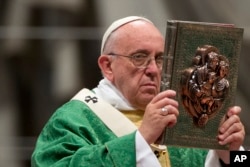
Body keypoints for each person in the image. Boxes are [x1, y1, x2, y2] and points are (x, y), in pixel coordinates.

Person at [31, 16, 245, 167]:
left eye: (160, 59)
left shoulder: (186, 117)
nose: (153, 70)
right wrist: (141, 139)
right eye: (139, 57)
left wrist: (231, 154)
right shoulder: (74, 119)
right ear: (107, 66)